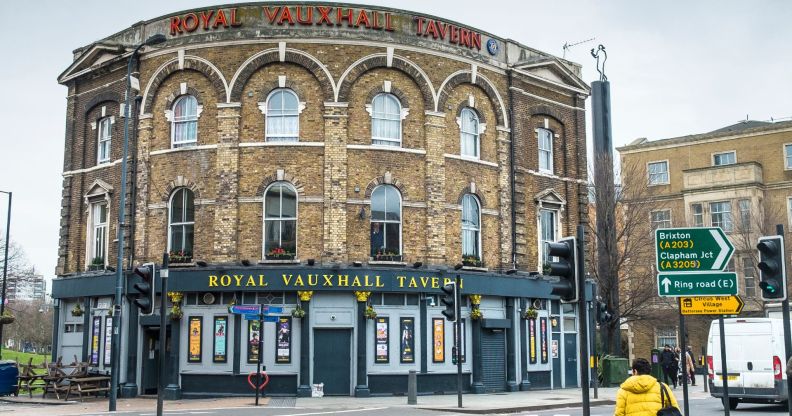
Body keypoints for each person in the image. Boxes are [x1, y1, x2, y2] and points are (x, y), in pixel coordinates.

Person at [615, 358, 680, 416]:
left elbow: (619, 414)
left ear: (635, 371)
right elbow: (674, 409)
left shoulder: (624, 390)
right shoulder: (662, 387)